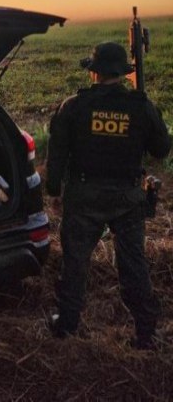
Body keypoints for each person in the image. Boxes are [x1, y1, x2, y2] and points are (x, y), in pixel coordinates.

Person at [46, 42, 171, 349]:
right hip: (127, 199)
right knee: (134, 265)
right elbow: (162, 149)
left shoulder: (73, 106)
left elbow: (57, 153)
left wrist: (53, 190)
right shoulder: (141, 106)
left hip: (84, 196)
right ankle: (145, 333)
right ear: (124, 74)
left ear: (94, 74)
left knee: (75, 262)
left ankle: (67, 326)